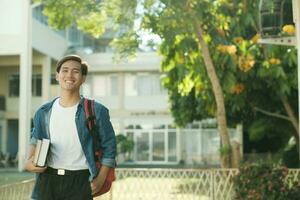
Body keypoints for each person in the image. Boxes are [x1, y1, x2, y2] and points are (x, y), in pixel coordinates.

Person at [24, 55, 117, 200]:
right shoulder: (43, 112)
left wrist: (100, 179)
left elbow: (110, 148)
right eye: (65, 70)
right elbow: (35, 142)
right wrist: (28, 164)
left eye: (75, 71)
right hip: (47, 180)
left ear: (83, 78)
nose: (69, 75)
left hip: (80, 180)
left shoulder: (96, 110)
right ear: (57, 75)